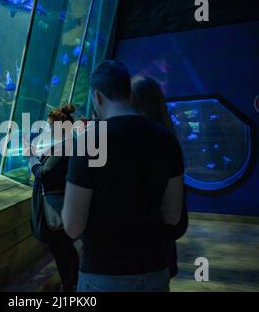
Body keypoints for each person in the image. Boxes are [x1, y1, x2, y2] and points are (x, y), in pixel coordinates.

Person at [62, 60, 184, 292]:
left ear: (97, 97)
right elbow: (172, 216)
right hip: (154, 269)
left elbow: (72, 226)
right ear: (129, 92)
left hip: (103, 274)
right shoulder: (165, 139)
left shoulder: (90, 141)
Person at [131, 75, 188, 279]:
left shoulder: (135, 142)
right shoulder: (168, 140)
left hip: (136, 251)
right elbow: (174, 217)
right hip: (161, 248)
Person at [27, 104, 79, 292]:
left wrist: (32, 158)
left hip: (57, 209)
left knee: (62, 251)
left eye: (50, 127)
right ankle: (73, 283)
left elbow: (45, 175)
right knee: (66, 250)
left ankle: (70, 287)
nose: (48, 131)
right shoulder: (71, 143)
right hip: (67, 205)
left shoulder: (64, 146)